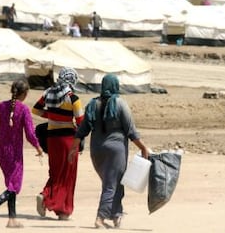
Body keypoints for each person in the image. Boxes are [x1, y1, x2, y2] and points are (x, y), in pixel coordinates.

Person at [68, 74, 149, 229]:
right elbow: (131, 131)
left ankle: (117, 215)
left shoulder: (93, 104)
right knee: (110, 185)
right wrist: (143, 148)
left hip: (96, 151)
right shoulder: (120, 104)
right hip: (115, 151)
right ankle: (100, 217)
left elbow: (82, 130)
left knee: (114, 183)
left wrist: (73, 149)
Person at [0, 79, 43, 228]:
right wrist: (38, 147)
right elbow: (30, 134)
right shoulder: (23, 109)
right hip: (15, 153)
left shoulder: (1, 106)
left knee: (11, 183)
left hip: (1, 152)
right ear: (25, 93)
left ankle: (12, 220)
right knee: (15, 185)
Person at [32, 67, 84, 220]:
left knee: (55, 172)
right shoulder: (73, 98)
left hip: (51, 139)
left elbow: (35, 110)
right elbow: (81, 122)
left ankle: (47, 196)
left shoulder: (48, 93)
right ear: (73, 79)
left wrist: (52, 116)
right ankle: (62, 210)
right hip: (68, 140)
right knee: (67, 174)